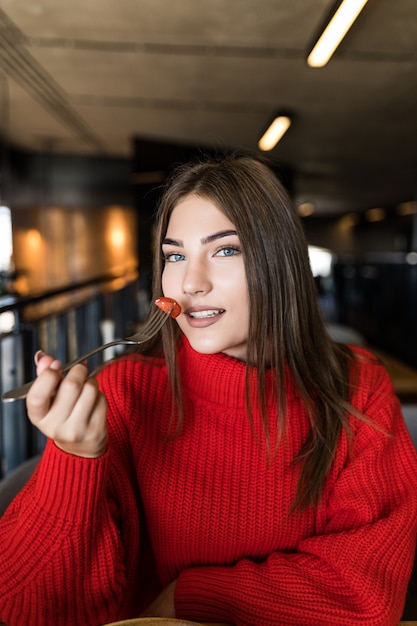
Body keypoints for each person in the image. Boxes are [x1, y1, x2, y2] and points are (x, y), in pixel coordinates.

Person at [0, 153, 417, 626]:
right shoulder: (123, 392)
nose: (190, 282)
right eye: (175, 256)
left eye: (224, 250)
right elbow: (21, 608)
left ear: (278, 262)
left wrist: (192, 597)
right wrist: (73, 458)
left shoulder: (359, 386)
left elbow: (366, 596)